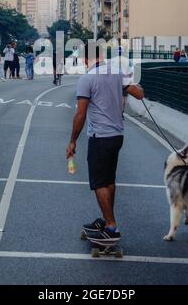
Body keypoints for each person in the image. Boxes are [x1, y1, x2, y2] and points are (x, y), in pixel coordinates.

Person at [66, 42, 144, 244]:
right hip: (117, 136)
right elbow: (140, 94)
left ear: (86, 59)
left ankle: (111, 227)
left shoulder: (86, 79)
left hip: (99, 137)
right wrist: (128, 79)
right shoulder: (118, 73)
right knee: (109, 180)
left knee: (99, 183)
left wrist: (72, 141)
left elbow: (80, 114)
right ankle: (106, 220)